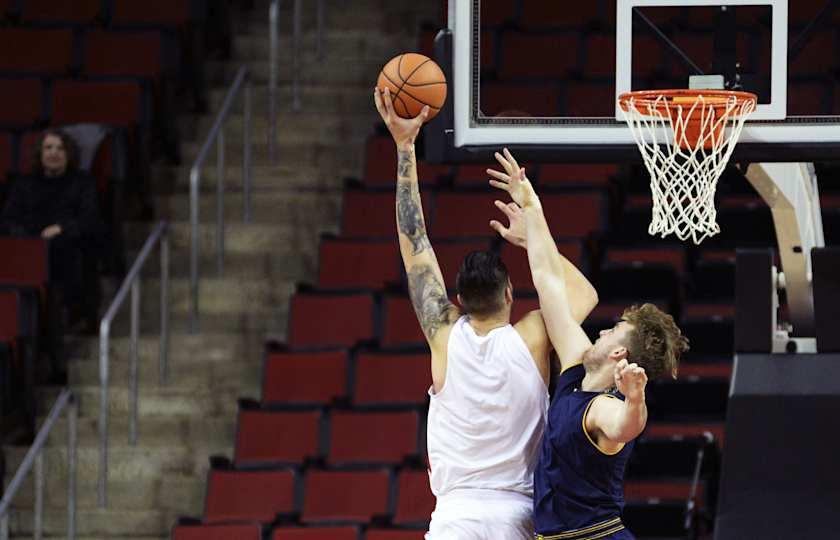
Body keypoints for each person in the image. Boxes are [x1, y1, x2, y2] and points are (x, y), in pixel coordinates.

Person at [373, 86, 598, 539]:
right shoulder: (533, 335)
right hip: (514, 516)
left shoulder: (443, 336)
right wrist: (532, 234)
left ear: (456, 300)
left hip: (455, 517)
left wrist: (404, 148)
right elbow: (583, 294)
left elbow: (414, 246)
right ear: (511, 293)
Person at [487, 153, 689, 540]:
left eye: (614, 330)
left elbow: (626, 427)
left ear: (618, 354)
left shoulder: (606, 409)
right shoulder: (577, 368)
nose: (601, 332)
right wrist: (533, 211)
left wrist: (635, 400)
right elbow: (548, 281)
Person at [0, 129, 104, 335]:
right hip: (30, 250)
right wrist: (29, 237)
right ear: (40, 154)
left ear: (69, 154)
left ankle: (72, 316)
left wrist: (61, 228)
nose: (54, 153)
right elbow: (7, 220)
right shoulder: (23, 184)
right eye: (48, 148)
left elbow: (89, 220)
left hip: (69, 249)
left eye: (60, 148)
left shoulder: (83, 182)